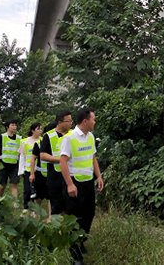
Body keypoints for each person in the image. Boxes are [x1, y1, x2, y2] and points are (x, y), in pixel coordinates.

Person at [60, 107, 104, 265]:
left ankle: (80, 240)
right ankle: (75, 256)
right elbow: (62, 162)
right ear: (85, 121)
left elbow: (93, 157)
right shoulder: (69, 138)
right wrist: (70, 185)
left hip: (88, 182)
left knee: (89, 214)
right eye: (93, 119)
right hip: (74, 183)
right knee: (75, 218)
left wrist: (98, 176)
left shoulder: (91, 136)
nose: (95, 121)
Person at [40, 111, 73, 216]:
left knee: (71, 207)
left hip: (71, 174)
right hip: (55, 176)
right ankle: (56, 230)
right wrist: (60, 160)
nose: (71, 123)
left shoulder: (73, 134)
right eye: (68, 121)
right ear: (60, 122)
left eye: (71, 121)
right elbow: (43, 155)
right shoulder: (48, 136)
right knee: (57, 208)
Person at [18, 122, 47, 209]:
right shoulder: (25, 141)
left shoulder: (43, 141)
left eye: (41, 129)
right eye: (38, 129)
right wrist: (20, 170)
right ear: (32, 130)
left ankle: (35, 208)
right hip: (28, 170)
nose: (40, 131)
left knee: (37, 191)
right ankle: (26, 207)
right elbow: (22, 156)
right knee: (27, 190)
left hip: (38, 170)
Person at [0, 119, 21, 197]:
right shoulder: (2, 137)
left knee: (14, 185)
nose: (14, 127)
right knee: (2, 185)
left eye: (15, 125)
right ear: (7, 127)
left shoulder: (19, 138)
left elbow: (20, 152)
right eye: (12, 125)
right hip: (3, 165)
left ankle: (15, 204)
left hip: (14, 165)